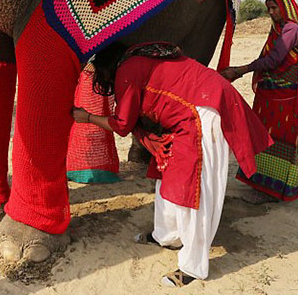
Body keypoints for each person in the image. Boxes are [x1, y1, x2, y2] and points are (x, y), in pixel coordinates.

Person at [73, 42, 272, 287]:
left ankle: (194, 267)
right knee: (167, 173)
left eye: (101, 73)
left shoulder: (127, 71)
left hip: (204, 112)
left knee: (194, 190)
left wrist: (87, 117)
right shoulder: (134, 61)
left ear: (108, 66)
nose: (101, 79)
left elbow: (122, 124)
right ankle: (166, 236)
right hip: (193, 110)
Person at [220, 0, 298, 204]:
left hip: (284, 97)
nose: (271, 13)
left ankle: (274, 189)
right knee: (266, 135)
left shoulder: (291, 29)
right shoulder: (280, 28)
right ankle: (265, 182)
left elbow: (274, 60)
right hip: (273, 93)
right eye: (269, 9)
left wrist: (241, 70)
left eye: (275, 8)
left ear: (285, 8)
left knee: (278, 138)